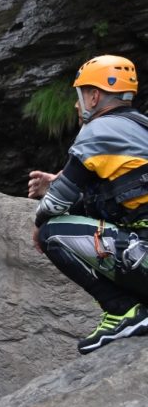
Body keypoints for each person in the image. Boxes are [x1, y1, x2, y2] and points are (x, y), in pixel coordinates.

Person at [34, 54, 148, 354]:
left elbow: (54, 204)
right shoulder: (140, 127)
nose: (76, 104)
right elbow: (109, 192)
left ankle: (122, 310)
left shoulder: (97, 130)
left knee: (50, 231)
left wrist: (39, 222)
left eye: (81, 95)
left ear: (94, 95)